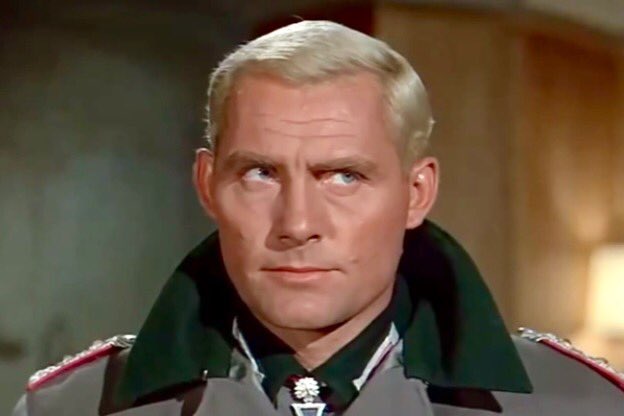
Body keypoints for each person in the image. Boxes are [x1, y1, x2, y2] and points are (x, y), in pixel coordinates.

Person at [13, 20, 624, 416]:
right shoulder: (72, 407)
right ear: (207, 185)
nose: (298, 223)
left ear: (416, 193)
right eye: (260, 173)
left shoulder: (579, 405)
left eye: (344, 176)